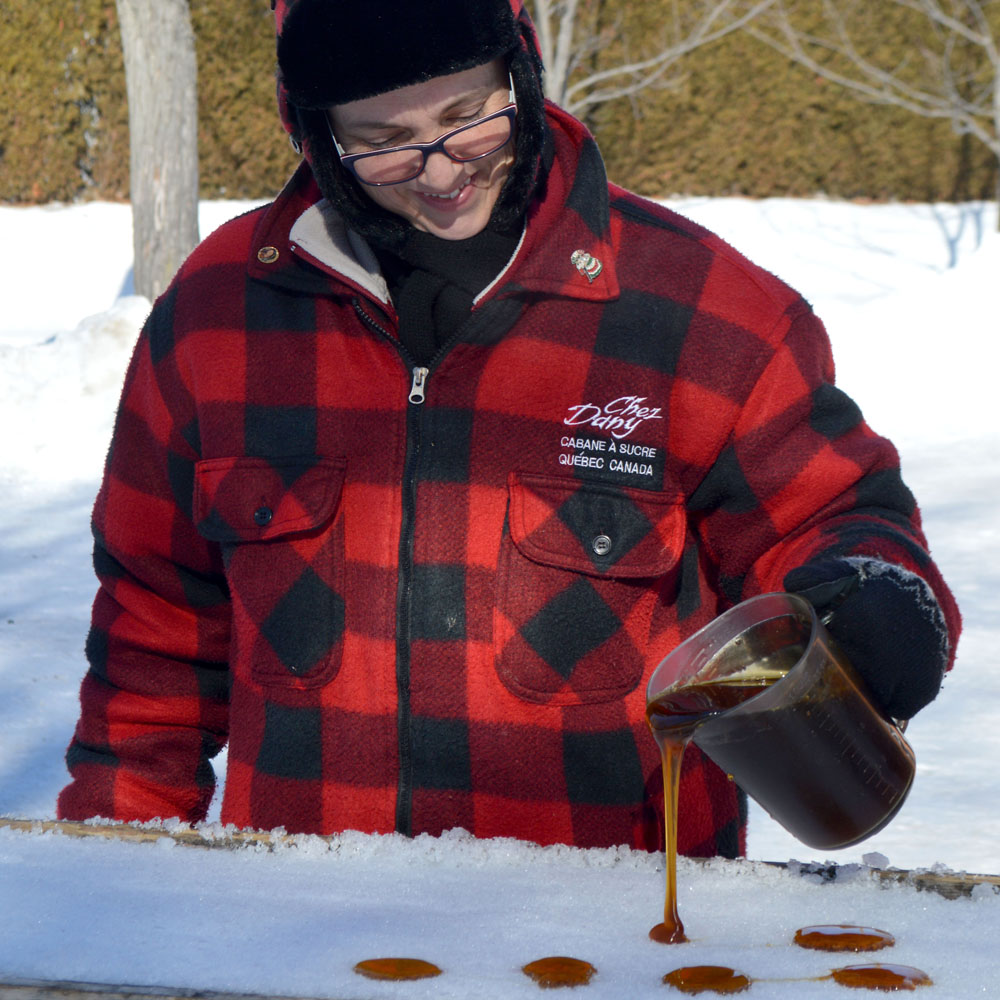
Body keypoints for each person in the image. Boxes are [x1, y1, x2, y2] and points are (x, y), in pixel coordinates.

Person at [58, 0, 960, 858]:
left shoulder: (698, 311)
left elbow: (833, 513)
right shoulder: (221, 317)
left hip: (616, 938)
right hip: (309, 929)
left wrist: (873, 595)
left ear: (521, 71)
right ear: (316, 135)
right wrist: (117, 888)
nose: (444, 171)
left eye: (468, 116)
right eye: (384, 143)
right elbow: (152, 645)